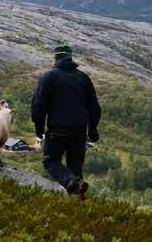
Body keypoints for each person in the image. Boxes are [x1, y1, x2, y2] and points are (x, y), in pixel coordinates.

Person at [31, 45, 101, 197]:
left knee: (50, 161)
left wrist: (39, 127)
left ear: (56, 58)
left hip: (58, 129)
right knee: (75, 166)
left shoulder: (48, 77)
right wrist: (93, 129)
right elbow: (94, 106)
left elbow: (38, 105)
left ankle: (73, 184)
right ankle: (77, 201)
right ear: (70, 57)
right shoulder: (83, 77)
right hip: (80, 131)